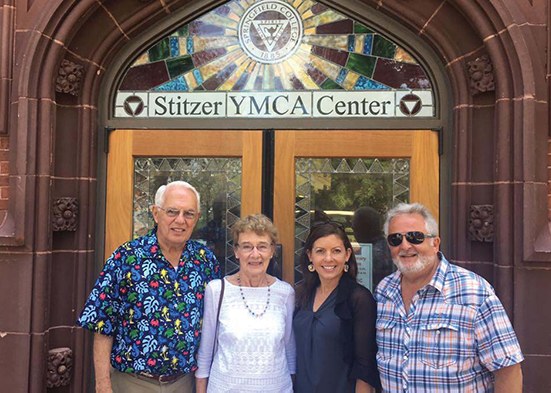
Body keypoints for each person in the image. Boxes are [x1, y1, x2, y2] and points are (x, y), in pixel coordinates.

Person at [77, 181, 219, 392]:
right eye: (172, 211)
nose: (180, 220)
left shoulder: (205, 261)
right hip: (133, 382)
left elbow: (212, 325)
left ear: (197, 218)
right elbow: (102, 324)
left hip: (185, 383)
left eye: (189, 214)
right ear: (156, 213)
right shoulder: (127, 257)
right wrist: (103, 385)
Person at [375, 203, 524, 392]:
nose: (405, 245)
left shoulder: (474, 293)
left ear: (435, 243)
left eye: (415, 237)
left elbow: (508, 369)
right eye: (395, 239)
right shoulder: (383, 292)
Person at [196, 214, 296, 392]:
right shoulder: (217, 290)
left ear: (272, 251)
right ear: (236, 251)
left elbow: (289, 349)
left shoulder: (285, 293)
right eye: (247, 247)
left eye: (262, 247)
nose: (255, 254)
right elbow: (206, 351)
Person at [293, 221, 381, 392]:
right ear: (310, 256)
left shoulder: (359, 298)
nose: (328, 258)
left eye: (336, 251)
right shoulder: (301, 294)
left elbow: (365, 365)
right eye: (320, 251)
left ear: (347, 255)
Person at [351, 206, 394, 288]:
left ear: (363, 229)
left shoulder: (373, 254)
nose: (354, 232)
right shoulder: (387, 246)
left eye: (354, 228)